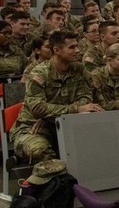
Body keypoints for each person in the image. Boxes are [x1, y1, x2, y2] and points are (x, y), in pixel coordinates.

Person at [9, 30, 102, 163]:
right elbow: (38, 108)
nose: (78, 50)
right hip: (32, 128)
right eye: (72, 47)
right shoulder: (40, 73)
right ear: (57, 50)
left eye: (77, 46)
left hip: (68, 125)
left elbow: (86, 99)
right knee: (41, 151)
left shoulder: (79, 69)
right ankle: (51, 183)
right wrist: (75, 109)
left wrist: (50, 117)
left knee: (102, 142)